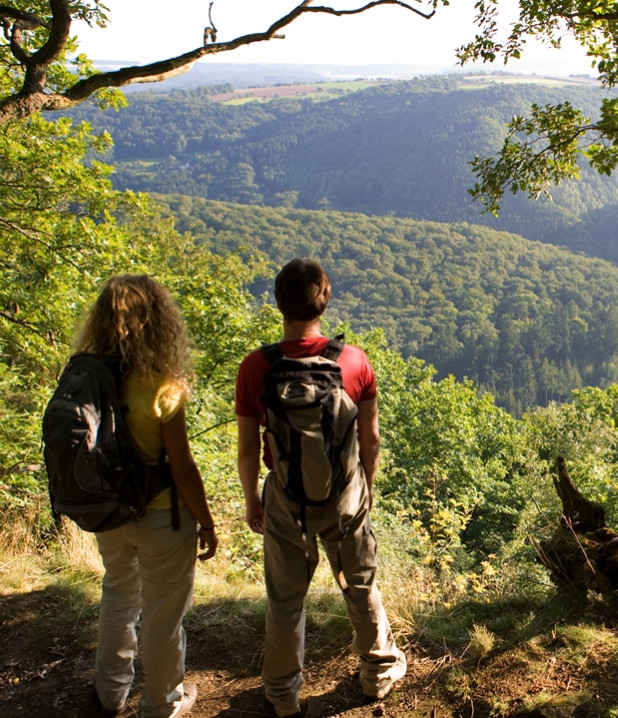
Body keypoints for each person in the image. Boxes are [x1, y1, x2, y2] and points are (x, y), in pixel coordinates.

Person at [235, 258, 406, 717]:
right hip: (345, 499)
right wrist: (364, 489)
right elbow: (369, 438)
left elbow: (249, 449)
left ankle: (282, 693)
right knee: (360, 585)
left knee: (285, 599)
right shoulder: (352, 361)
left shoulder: (256, 367)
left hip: (286, 503)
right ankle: (378, 674)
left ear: (278, 304)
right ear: (324, 301)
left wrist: (253, 499)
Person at [75, 275, 217, 718]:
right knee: (162, 615)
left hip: (109, 513)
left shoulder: (86, 378)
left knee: (118, 592)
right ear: (158, 324)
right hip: (161, 519)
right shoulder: (162, 386)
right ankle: (160, 704)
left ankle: (109, 692)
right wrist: (207, 522)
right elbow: (183, 469)